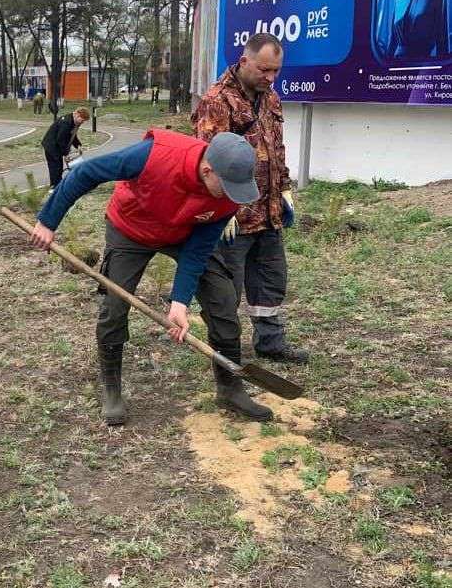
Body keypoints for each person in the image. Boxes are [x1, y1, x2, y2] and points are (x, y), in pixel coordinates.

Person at [30, 128, 262, 426]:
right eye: (228, 185)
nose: (233, 195)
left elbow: (198, 250)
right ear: (207, 169)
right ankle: (112, 389)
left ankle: (230, 387)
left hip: (183, 233)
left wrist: (179, 301)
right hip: (132, 228)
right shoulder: (154, 155)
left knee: (223, 298)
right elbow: (85, 173)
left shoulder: (228, 194)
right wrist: (48, 221)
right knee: (114, 307)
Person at [192, 32, 309, 379]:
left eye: (276, 71)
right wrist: (220, 208)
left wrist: (284, 189)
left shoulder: (270, 97)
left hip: (268, 210)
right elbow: (207, 159)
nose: (271, 78)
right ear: (245, 62)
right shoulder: (217, 101)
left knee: (271, 279)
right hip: (234, 215)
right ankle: (225, 350)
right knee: (227, 288)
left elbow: (277, 148)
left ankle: (270, 341)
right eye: (264, 70)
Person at [41, 107, 90, 188]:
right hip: (52, 146)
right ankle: (54, 187)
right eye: (82, 120)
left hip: (56, 146)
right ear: (77, 115)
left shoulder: (73, 122)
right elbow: (61, 139)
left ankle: (58, 185)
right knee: (55, 167)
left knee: (59, 167)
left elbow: (72, 135)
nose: (82, 122)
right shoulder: (66, 122)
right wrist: (66, 154)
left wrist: (78, 145)